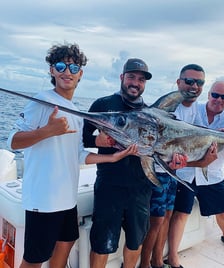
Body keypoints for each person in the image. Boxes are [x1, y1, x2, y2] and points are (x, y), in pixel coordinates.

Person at [7, 43, 137, 268]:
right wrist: (46, 131)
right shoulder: (42, 101)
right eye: (61, 66)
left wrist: (111, 157)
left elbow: (78, 155)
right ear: (52, 71)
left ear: (81, 74)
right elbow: (13, 141)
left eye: (73, 67)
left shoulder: (75, 111)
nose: (67, 72)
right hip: (44, 200)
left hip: (67, 198)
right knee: (34, 259)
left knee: (67, 242)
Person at [140, 64, 216, 268]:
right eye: (189, 81)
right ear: (179, 82)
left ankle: (157, 261)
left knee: (167, 216)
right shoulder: (169, 106)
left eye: (199, 82)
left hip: (173, 172)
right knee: (156, 220)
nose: (194, 86)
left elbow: (199, 138)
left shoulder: (198, 112)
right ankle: (144, 264)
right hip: (158, 169)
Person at [82, 58, 155, 268]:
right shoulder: (103, 105)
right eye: (131, 77)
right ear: (122, 77)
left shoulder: (151, 114)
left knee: (135, 240)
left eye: (141, 79)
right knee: (101, 242)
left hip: (141, 187)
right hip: (109, 185)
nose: (136, 83)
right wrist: (97, 140)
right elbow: (81, 138)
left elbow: (159, 151)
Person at [166, 81, 224, 268]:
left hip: (212, 174)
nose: (219, 100)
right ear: (209, 94)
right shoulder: (194, 111)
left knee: (222, 212)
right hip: (185, 172)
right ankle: (173, 257)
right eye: (215, 95)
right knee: (180, 214)